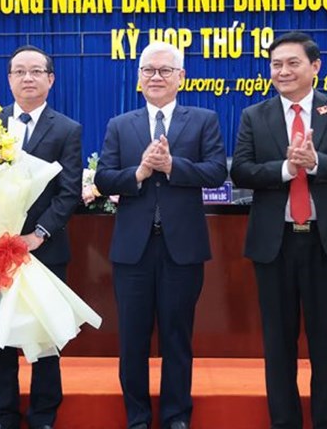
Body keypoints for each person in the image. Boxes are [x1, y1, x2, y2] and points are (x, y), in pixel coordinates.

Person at [230, 32, 327, 429]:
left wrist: (317, 162)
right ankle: (284, 422)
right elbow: (241, 170)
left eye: (292, 63)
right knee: (278, 344)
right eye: (276, 64)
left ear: (315, 66)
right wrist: (288, 170)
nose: (283, 71)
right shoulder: (254, 115)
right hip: (275, 244)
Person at [95, 41, 228, 429]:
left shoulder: (203, 120)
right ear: (138, 78)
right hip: (132, 251)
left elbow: (216, 171)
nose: (156, 77)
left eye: (165, 70)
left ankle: (176, 416)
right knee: (132, 341)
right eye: (148, 70)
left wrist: (172, 166)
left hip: (181, 250)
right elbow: (103, 178)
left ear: (181, 77)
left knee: (177, 338)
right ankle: (137, 418)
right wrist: (137, 174)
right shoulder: (121, 125)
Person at [0, 45, 83, 429]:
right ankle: (3, 414)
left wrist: (38, 234)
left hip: (45, 249)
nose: (27, 78)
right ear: (8, 79)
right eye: (19, 71)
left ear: (50, 80)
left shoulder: (68, 129)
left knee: (45, 337)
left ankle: (43, 415)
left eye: (36, 71)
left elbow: (69, 191)